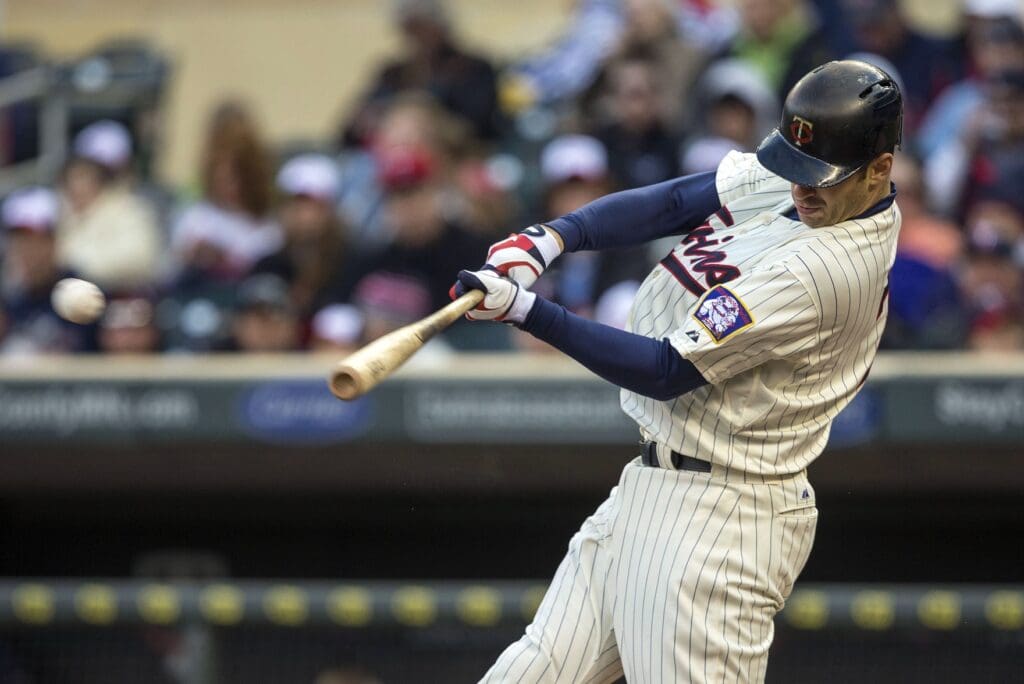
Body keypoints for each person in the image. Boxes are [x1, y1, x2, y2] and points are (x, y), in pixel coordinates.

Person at [453, 60, 903, 681]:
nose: (801, 188)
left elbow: (666, 368)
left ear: (880, 169)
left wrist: (529, 312)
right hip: (650, 487)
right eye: (797, 168)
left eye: (819, 177)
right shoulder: (811, 183)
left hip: (723, 516)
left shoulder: (829, 271)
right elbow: (676, 200)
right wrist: (552, 239)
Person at [56, 119, 162, 291]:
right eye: (80, 174)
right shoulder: (59, 209)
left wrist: (72, 265)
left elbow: (138, 260)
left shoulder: (133, 211)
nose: (81, 183)